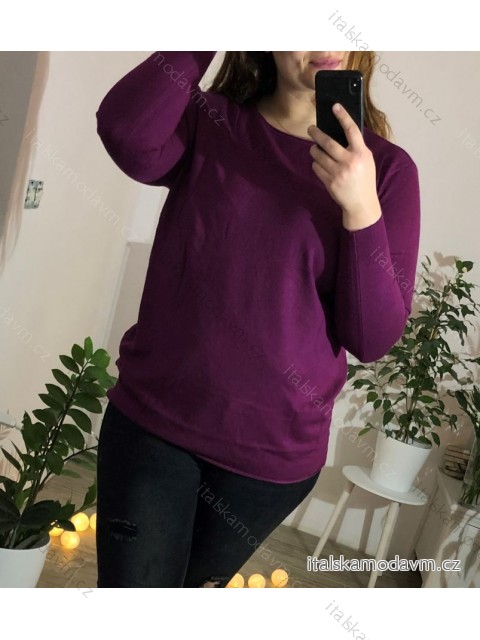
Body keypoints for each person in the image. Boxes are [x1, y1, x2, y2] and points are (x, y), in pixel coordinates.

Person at [94, 51, 421, 588]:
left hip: (272, 458)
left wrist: (361, 209)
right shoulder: (209, 120)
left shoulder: (385, 170)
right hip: (155, 424)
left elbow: (372, 337)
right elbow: (126, 135)